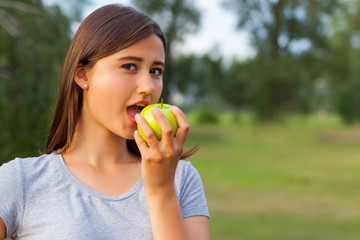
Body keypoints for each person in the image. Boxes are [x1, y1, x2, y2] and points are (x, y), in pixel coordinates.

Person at [0, 4, 210, 240]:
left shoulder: (181, 179)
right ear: (83, 75)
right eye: (130, 66)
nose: (148, 87)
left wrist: (162, 191)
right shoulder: (20, 181)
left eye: (156, 71)